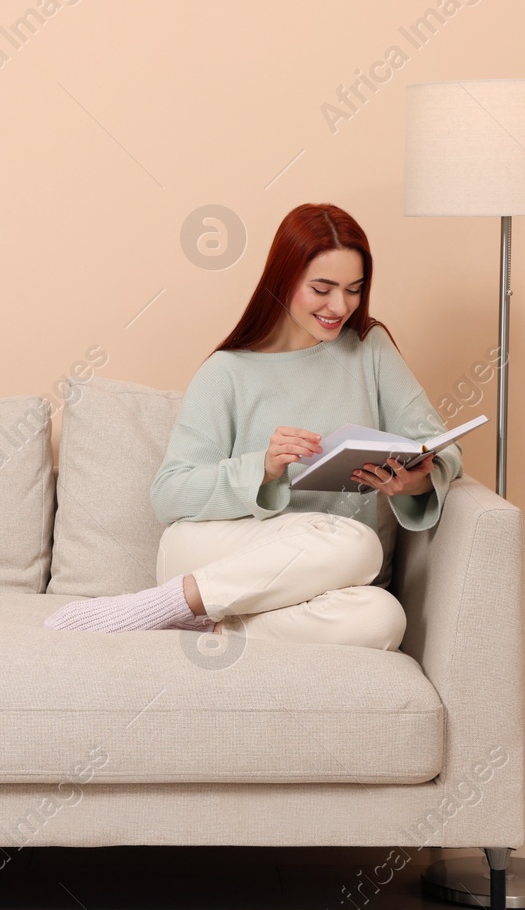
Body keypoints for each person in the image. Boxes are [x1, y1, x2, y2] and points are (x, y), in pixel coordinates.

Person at [43, 203, 462, 650]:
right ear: (282, 280)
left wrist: (415, 484)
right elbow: (169, 493)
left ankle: (211, 626)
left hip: (322, 577)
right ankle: (167, 604)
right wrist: (261, 468)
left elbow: (441, 447)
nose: (339, 306)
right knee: (357, 543)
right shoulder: (227, 372)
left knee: (383, 618)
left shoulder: (369, 349)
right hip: (212, 555)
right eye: (322, 288)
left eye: (354, 290)